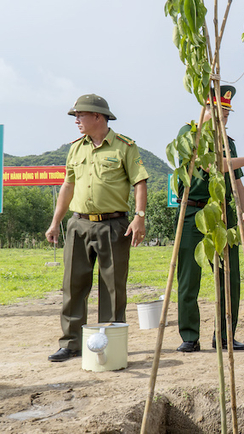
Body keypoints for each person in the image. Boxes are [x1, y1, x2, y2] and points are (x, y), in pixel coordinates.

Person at [45, 94, 148, 362]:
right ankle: (70, 343)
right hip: (78, 225)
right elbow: (68, 186)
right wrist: (56, 222)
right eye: (75, 116)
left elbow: (139, 181)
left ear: (98, 117)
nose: (76, 120)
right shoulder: (76, 148)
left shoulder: (124, 147)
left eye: (80, 115)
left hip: (113, 225)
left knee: (113, 287)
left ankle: (111, 342)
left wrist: (140, 216)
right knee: (73, 284)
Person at [175, 85, 244, 353]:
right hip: (193, 212)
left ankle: (224, 335)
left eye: (227, 111)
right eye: (219, 110)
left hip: (223, 214)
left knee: (229, 277)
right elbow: (212, 165)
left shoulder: (229, 142)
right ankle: (189, 336)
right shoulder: (189, 134)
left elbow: (235, 184)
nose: (224, 116)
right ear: (205, 108)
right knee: (189, 276)